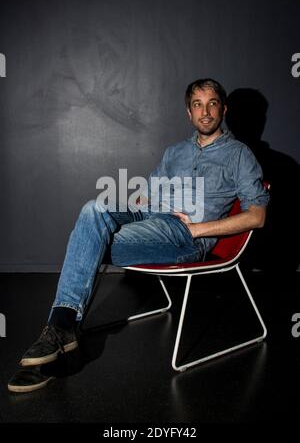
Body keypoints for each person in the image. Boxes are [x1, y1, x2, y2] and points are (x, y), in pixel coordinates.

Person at [8, 78, 269, 392]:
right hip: (152, 217)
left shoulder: (239, 155)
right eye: (197, 104)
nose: (205, 112)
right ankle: (63, 328)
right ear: (189, 112)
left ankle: (60, 333)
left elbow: (257, 216)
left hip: (185, 238)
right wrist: (117, 215)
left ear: (223, 109)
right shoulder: (174, 152)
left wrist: (196, 228)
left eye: (212, 103)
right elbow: (148, 197)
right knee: (93, 209)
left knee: (88, 241)